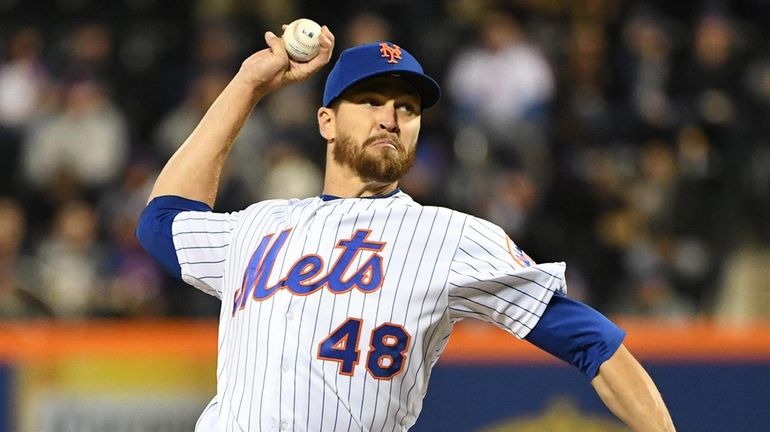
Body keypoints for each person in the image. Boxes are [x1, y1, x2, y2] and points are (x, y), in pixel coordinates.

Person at [136, 23, 675, 432]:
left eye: (407, 107)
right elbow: (162, 219)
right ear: (326, 121)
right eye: (370, 101)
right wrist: (250, 84)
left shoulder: (453, 238)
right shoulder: (261, 225)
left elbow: (596, 345)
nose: (390, 117)